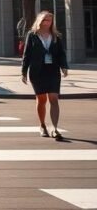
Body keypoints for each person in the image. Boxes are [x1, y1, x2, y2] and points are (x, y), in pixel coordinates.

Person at [21, 10, 69, 140]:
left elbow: (61, 53)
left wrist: (64, 66)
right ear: (40, 21)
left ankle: (54, 128)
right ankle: (42, 125)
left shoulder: (56, 36)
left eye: (49, 20)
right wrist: (23, 72)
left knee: (54, 98)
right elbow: (27, 54)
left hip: (53, 70)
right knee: (42, 100)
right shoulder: (32, 35)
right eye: (45, 20)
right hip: (37, 71)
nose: (47, 22)